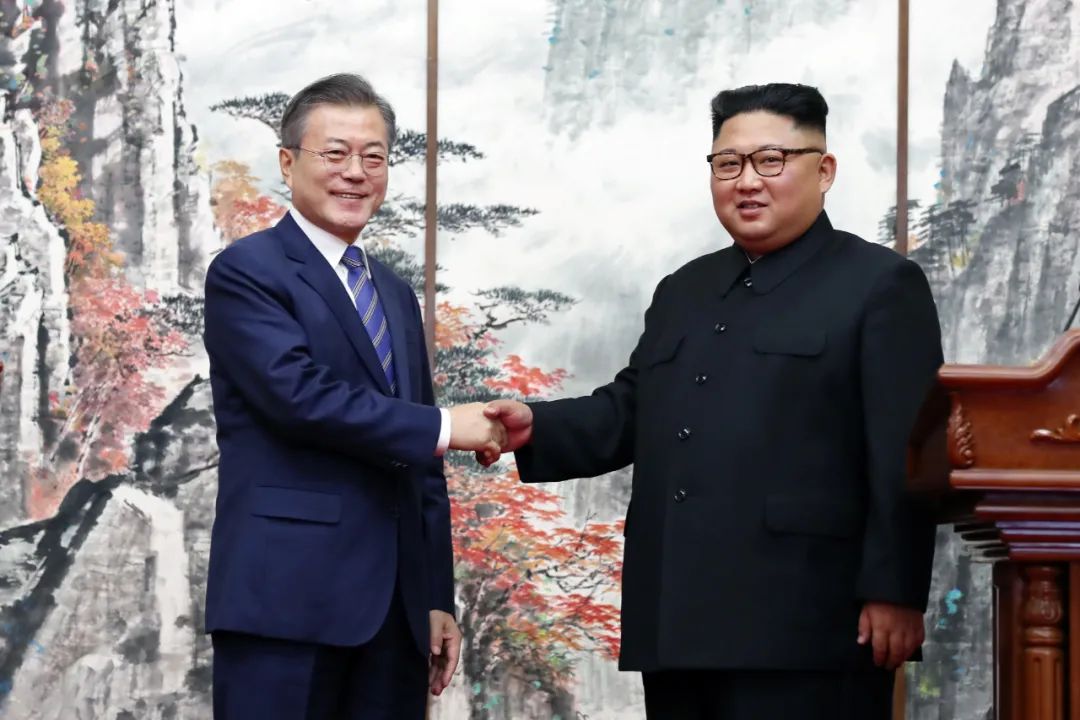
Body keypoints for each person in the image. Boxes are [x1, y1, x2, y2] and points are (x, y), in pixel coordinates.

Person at [483, 83, 943, 720]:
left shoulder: (879, 284)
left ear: (825, 169)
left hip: (808, 625)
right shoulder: (684, 290)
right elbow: (632, 409)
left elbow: (907, 452)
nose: (747, 181)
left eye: (771, 161)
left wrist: (896, 591)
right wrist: (534, 424)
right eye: (728, 164)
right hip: (677, 620)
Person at [202, 73, 504, 720]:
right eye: (334, 153)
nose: (356, 173)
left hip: (395, 617)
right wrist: (451, 425)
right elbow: (299, 398)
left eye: (373, 156)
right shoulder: (248, 271)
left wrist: (435, 596)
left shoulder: (392, 291)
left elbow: (418, 463)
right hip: (285, 604)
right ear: (288, 162)